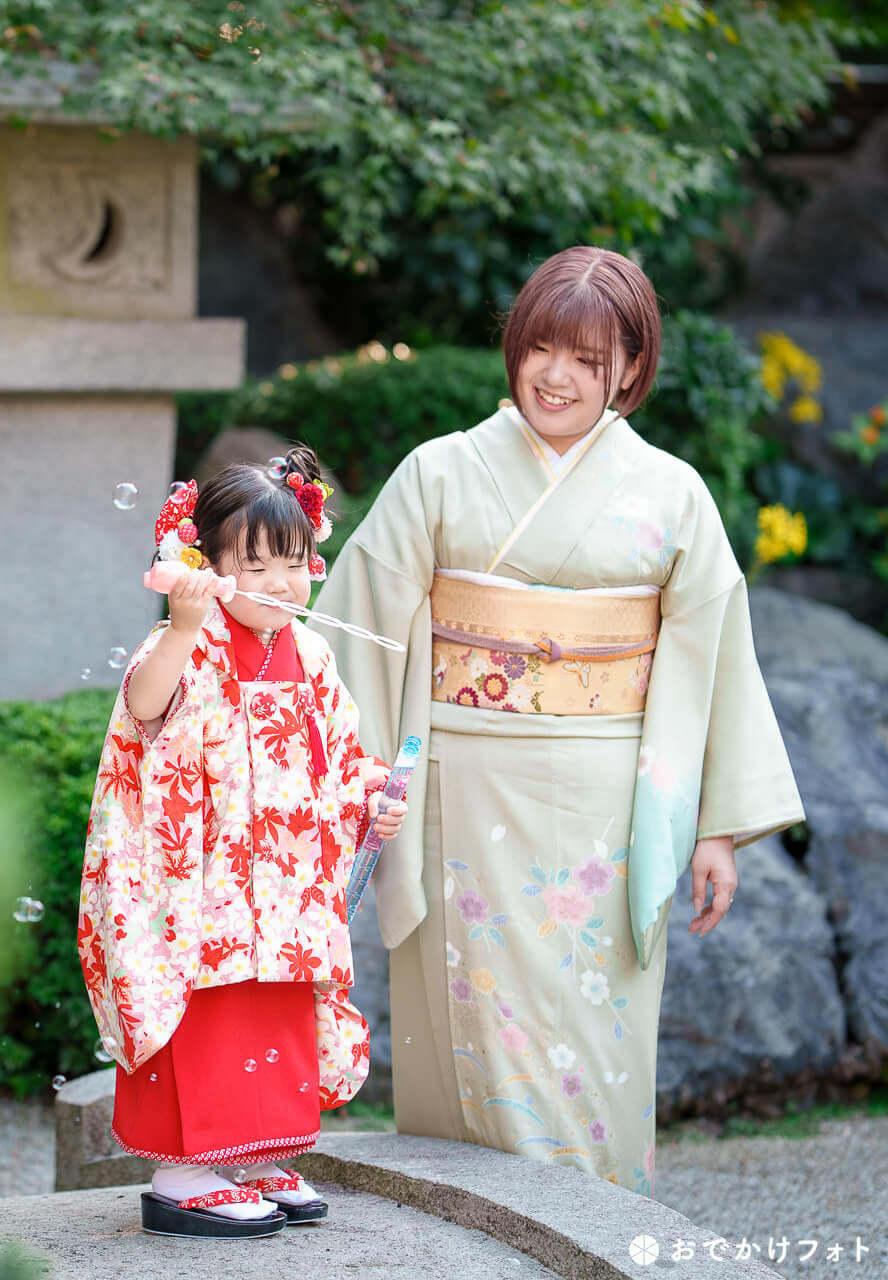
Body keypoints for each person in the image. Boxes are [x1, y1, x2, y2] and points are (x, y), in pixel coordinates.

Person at [315, 246, 804, 1196]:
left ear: (629, 366)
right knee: (467, 1058)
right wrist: (337, 783)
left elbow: (714, 657)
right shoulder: (441, 474)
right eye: (542, 347)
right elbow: (356, 627)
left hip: (607, 818)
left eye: (587, 358)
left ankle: (591, 1236)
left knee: (590, 1048)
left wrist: (714, 827)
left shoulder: (672, 493)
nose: (557, 375)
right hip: (459, 799)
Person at [78, 446, 408, 1239]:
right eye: (252, 567)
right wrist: (183, 627)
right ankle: (185, 1169)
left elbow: (335, 752)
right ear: (205, 565)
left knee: (275, 1015)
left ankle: (256, 1153)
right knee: (209, 1020)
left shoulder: (314, 654)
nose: (279, 586)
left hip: (285, 883)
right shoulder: (188, 643)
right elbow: (146, 707)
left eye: (292, 564)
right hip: (206, 883)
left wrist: (369, 800)